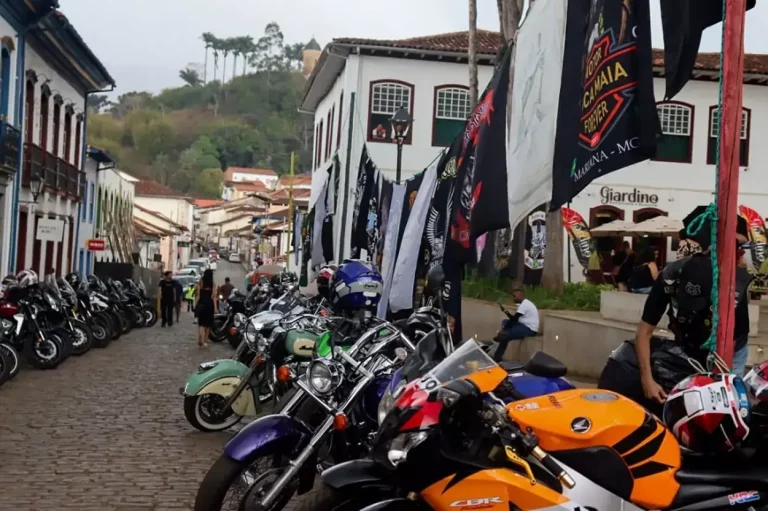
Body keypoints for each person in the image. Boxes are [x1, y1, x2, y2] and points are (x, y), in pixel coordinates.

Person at [635, 232, 752, 408]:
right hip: (688, 341)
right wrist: (647, 380)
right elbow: (644, 331)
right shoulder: (668, 278)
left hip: (729, 350)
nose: (693, 308)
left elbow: (729, 349)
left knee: (725, 404)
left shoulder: (733, 290)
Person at [492, 287, 540, 362]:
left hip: (529, 329)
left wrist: (504, 329)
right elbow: (514, 319)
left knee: (505, 336)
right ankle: (502, 337)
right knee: (505, 322)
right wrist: (505, 311)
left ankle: (497, 355)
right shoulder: (522, 304)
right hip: (522, 325)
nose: (513, 298)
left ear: (520, 295)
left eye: (514, 296)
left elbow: (514, 319)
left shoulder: (525, 304)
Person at [195, 269, 217, 348]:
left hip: (201, 303)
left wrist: (196, 305)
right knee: (208, 324)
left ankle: (199, 338)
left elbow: (197, 294)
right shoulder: (213, 284)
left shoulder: (200, 283)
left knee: (201, 323)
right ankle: (205, 340)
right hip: (209, 304)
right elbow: (214, 296)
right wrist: (215, 308)